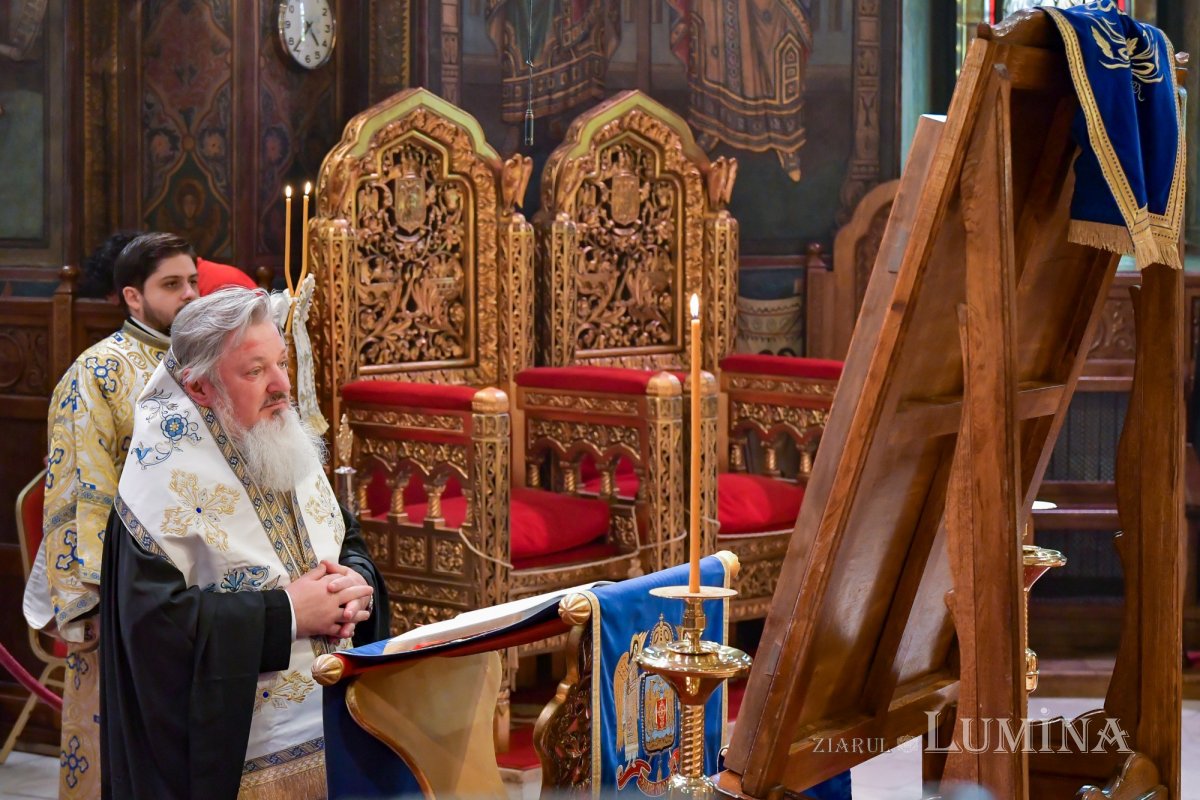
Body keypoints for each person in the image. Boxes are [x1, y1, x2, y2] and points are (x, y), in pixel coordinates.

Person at [100, 287, 389, 800]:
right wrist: (289, 614)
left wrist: (356, 582)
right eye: (255, 371)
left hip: (344, 731)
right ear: (199, 387)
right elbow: (155, 633)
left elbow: (344, 536)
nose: (282, 385)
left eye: (281, 363)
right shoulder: (157, 488)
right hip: (239, 764)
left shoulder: (279, 437)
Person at [26, 232, 198, 799]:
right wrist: (89, 600)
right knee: (114, 754)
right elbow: (78, 491)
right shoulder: (97, 372)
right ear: (132, 296)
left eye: (193, 281)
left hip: (198, 583)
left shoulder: (201, 364)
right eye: (172, 284)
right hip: (126, 591)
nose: (189, 295)